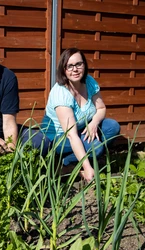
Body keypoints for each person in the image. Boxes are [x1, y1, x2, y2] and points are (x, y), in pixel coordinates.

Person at [41, 48, 120, 182]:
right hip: (59, 137)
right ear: (63, 69)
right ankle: (65, 165)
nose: (75, 69)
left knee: (112, 126)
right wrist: (88, 168)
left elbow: (101, 108)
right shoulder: (61, 94)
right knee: (95, 147)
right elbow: (72, 136)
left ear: (84, 65)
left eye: (78, 64)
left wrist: (93, 123)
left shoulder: (89, 81)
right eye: (70, 66)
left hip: (82, 128)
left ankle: (76, 160)